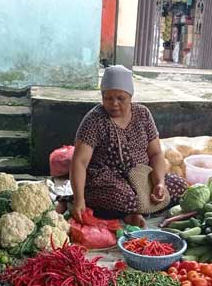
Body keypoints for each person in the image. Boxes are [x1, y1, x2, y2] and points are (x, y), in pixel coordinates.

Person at [69, 66, 187, 228]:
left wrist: (159, 182)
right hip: (106, 180)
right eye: (107, 98)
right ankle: (131, 213)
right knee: (127, 199)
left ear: (130, 96)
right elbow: (79, 162)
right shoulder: (94, 120)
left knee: (179, 185)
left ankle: (136, 209)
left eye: (121, 98)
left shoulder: (143, 114)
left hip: (141, 177)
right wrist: (79, 200)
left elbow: (156, 154)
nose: (114, 104)